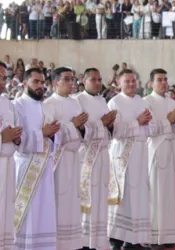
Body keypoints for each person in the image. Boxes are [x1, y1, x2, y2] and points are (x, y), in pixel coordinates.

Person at [14, 68, 60, 250]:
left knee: (44, 212)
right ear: (25, 83)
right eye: (36, 82)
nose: (40, 86)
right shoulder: (17, 105)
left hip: (46, 167)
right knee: (28, 214)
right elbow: (18, 140)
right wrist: (43, 133)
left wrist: (55, 134)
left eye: (42, 82)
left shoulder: (47, 106)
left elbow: (57, 135)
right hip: (26, 168)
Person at [107, 69, 152, 250]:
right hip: (122, 156)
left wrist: (147, 123)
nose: (131, 84)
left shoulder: (141, 101)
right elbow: (115, 132)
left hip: (140, 154)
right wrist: (137, 122)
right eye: (127, 81)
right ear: (119, 83)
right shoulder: (114, 102)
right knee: (122, 197)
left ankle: (133, 239)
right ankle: (116, 240)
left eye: (134, 81)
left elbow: (150, 127)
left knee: (138, 196)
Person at [74, 68, 116, 250]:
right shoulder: (78, 101)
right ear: (84, 79)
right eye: (93, 79)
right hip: (87, 157)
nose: (98, 83)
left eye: (100, 79)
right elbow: (81, 131)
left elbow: (109, 131)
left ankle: (99, 242)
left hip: (103, 155)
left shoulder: (102, 101)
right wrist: (103, 123)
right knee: (87, 198)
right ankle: (84, 243)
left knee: (100, 198)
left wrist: (110, 126)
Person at [44, 67, 85, 250]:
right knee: (59, 201)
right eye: (67, 79)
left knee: (73, 200)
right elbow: (50, 133)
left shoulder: (76, 103)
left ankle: (73, 243)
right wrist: (73, 125)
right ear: (55, 82)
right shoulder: (48, 104)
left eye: (73, 79)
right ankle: (58, 244)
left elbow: (83, 130)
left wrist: (82, 128)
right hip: (58, 161)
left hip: (75, 158)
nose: (71, 83)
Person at [143, 68, 175, 249]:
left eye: (165, 79)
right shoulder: (146, 102)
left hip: (171, 149)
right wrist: (169, 121)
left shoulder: (173, 102)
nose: (164, 82)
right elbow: (149, 130)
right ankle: (154, 237)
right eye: (159, 79)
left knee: (170, 194)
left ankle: (168, 236)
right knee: (156, 194)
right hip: (156, 151)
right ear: (151, 83)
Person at [0, 61, 22, 250]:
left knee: (6, 212)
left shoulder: (7, 103)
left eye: (3, 78)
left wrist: (15, 137)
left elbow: (15, 129)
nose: (2, 82)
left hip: (8, 166)